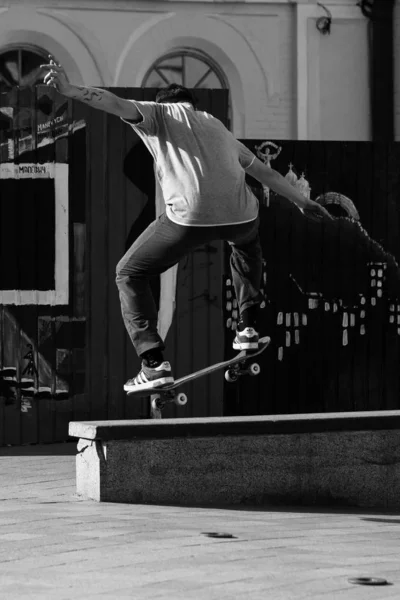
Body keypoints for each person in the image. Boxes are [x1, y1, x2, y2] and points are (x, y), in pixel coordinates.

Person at [42, 57, 332, 392]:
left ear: (163, 103)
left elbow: (112, 102)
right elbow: (263, 173)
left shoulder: (158, 113)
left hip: (190, 217)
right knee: (247, 245)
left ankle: (152, 363)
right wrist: (302, 201)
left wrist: (70, 90)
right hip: (241, 214)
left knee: (129, 273)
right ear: (193, 106)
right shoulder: (217, 126)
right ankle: (248, 325)